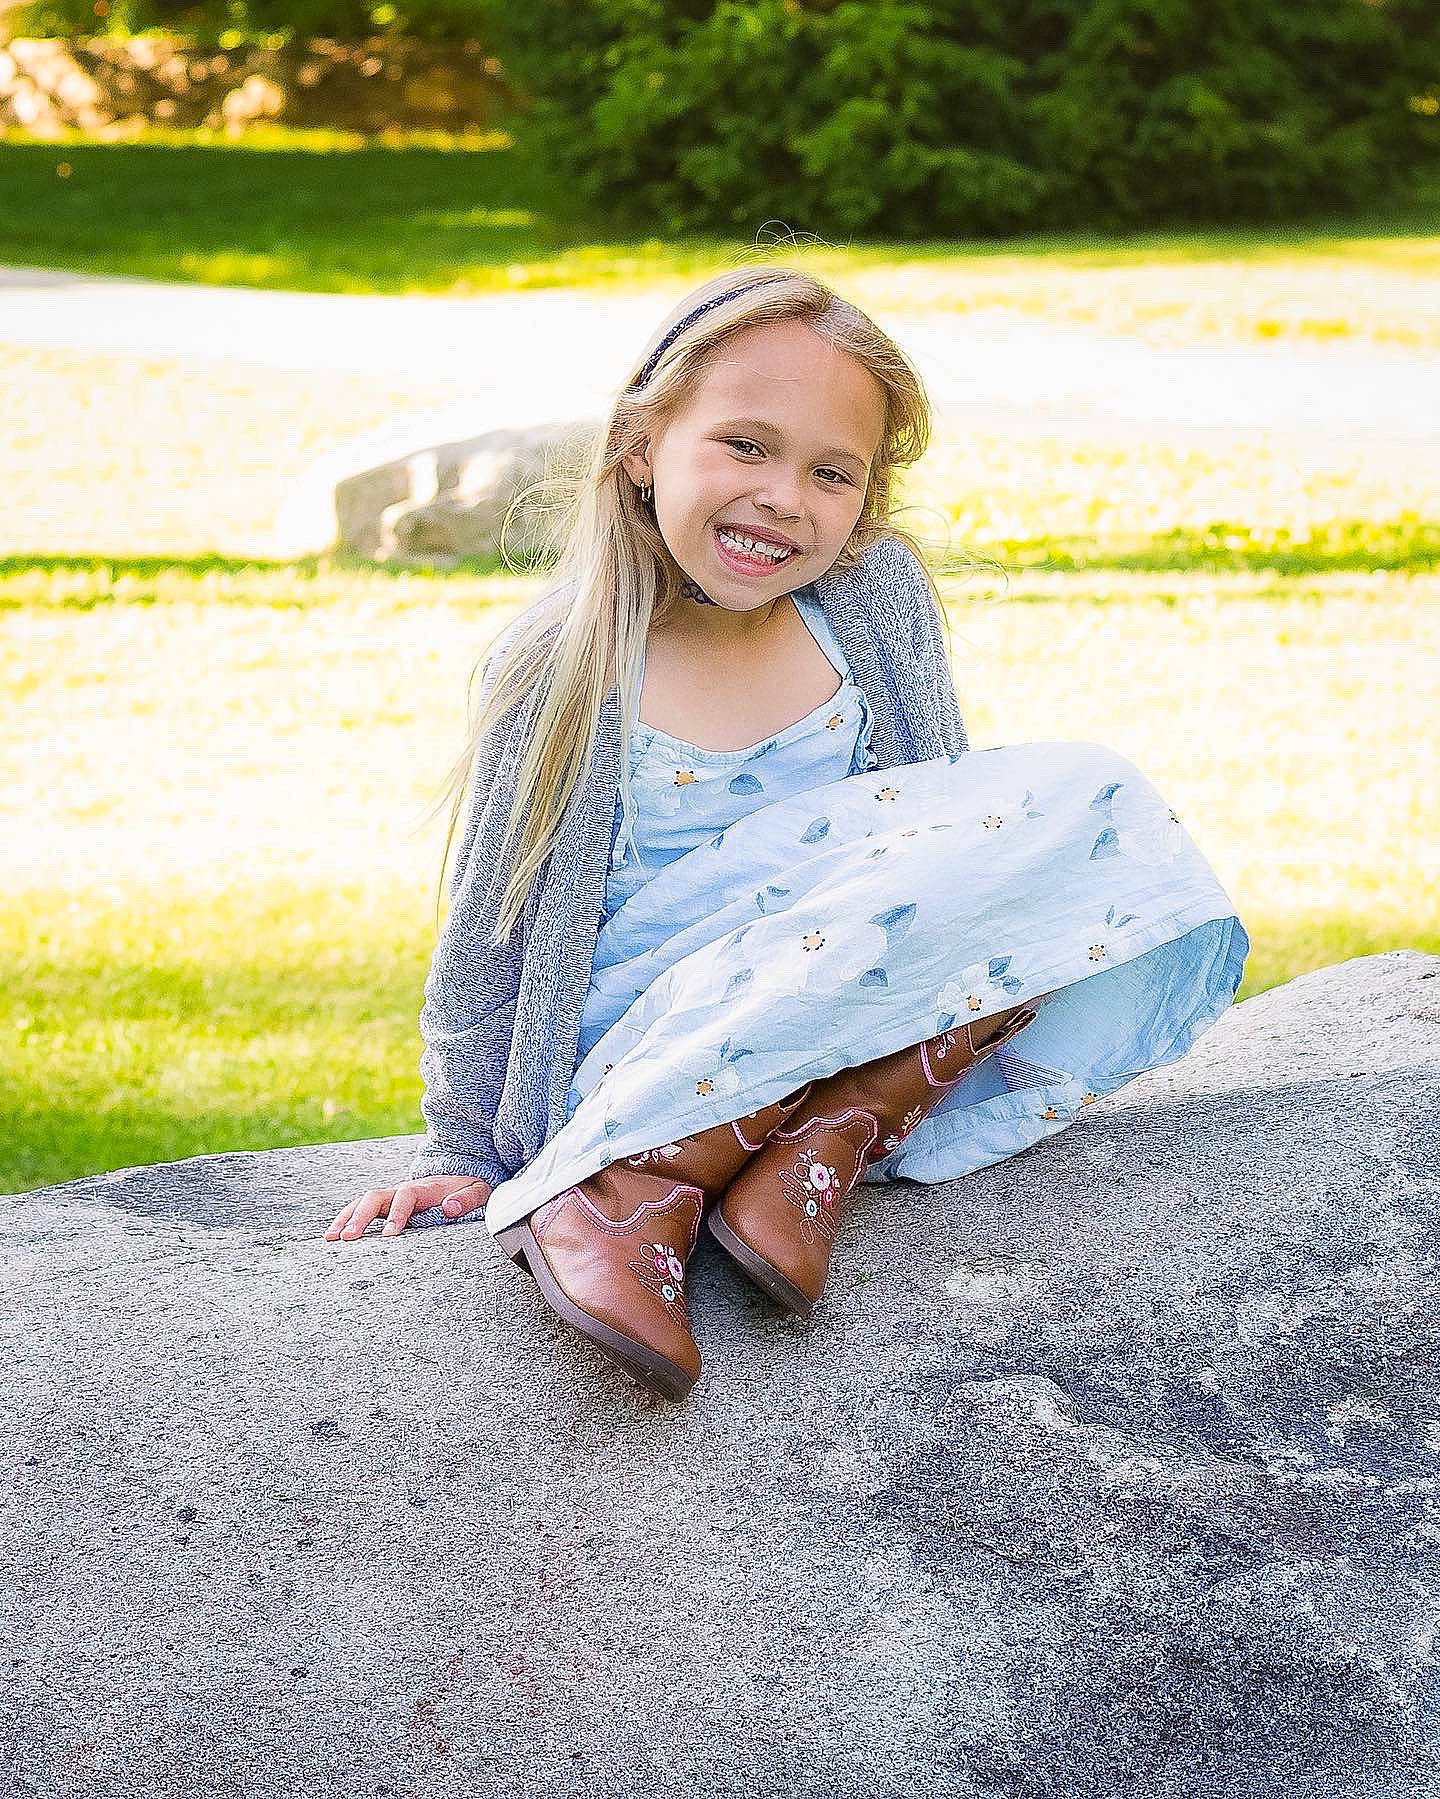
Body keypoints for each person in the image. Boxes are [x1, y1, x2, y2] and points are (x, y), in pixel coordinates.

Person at [325, 264, 1249, 1403]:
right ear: (641, 445)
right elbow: (492, 929)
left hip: (846, 1006)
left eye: (831, 472)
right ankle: (633, 1183)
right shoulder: (560, 661)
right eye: (745, 446)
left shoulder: (871, 600)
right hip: (661, 1033)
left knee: (1090, 799)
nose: (783, 498)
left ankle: (819, 1143)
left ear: (869, 495)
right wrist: (463, 1154)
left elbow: (951, 844)